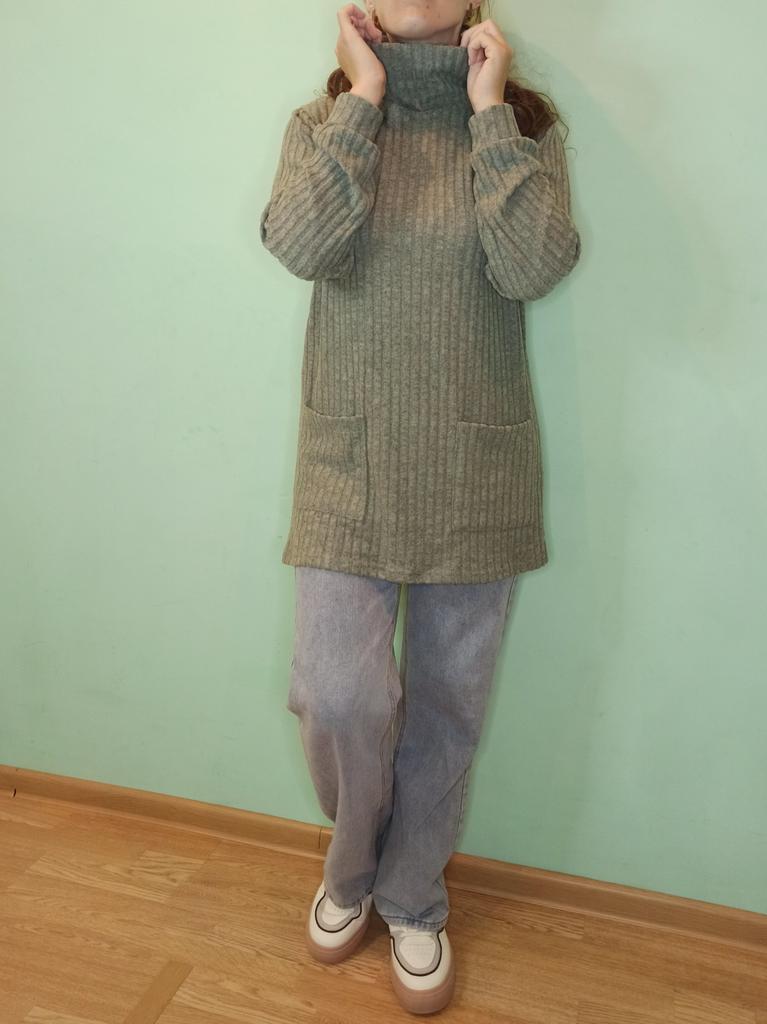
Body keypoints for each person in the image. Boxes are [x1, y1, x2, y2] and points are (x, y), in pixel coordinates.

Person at [259, 0, 581, 1013]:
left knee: (447, 706)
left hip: (475, 470)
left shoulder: (522, 126)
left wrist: (487, 113)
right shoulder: (324, 124)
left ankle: (411, 894)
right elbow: (297, 243)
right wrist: (363, 97)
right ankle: (352, 865)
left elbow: (532, 266)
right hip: (346, 464)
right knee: (337, 695)